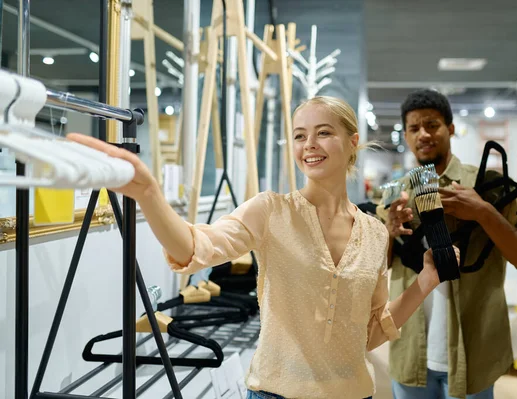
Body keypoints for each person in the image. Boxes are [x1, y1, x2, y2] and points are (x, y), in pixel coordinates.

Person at [67, 95, 460, 399]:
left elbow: (370, 332)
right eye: (299, 135)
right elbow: (193, 248)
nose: (310, 144)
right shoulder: (270, 211)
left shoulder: (375, 233)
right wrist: (150, 194)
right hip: (275, 392)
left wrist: (425, 282)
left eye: (323, 132)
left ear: (352, 141)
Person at [376, 89, 517, 399]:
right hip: (409, 351)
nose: (423, 134)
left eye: (432, 125)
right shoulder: (392, 194)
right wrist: (388, 231)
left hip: (475, 350)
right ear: (406, 134)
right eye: (414, 128)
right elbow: (378, 266)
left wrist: (483, 212)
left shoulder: (489, 186)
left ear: (451, 128)